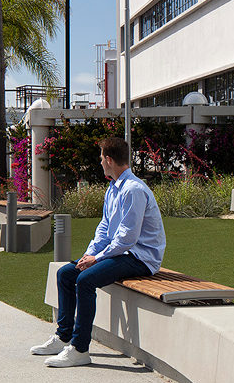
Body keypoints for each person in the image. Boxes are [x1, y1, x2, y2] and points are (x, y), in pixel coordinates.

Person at [31, 135, 166, 367]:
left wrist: (97, 259)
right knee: (65, 274)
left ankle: (80, 349)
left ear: (109, 160)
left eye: (101, 158)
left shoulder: (133, 190)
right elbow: (104, 228)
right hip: (122, 253)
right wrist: (89, 254)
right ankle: (63, 337)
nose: (100, 162)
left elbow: (127, 238)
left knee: (85, 281)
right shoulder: (113, 188)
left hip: (140, 257)